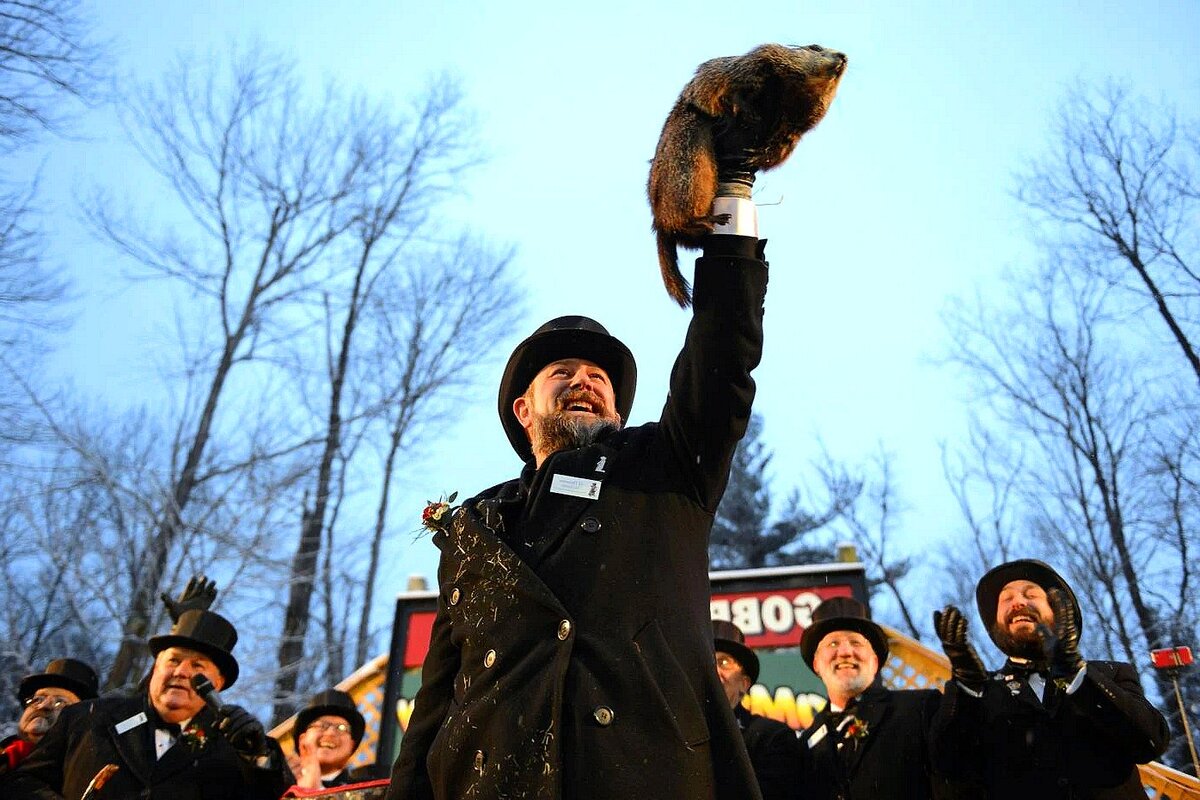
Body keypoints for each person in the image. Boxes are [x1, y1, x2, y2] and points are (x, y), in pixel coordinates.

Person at [387, 128, 780, 800]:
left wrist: (733, 200)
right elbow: (438, 698)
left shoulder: (663, 470)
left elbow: (724, 352)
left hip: (641, 771)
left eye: (600, 376)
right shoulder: (475, 524)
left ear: (620, 413)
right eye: (562, 371)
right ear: (522, 409)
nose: (585, 380)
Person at [931, 558, 1170, 798]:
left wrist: (1075, 675)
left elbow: (1149, 741)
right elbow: (949, 768)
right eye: (1006, 599)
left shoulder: (1110, 673)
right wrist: (968, 685)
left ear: (1058, 610)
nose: (1018, 602)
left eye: (1030, 594)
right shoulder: (977, 694)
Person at [7, 609, 293, 799]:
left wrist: (258, 757)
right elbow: (23, 782)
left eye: (197, 666)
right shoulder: (88, 717)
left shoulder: (232, 749)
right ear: (156, 667)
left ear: (218, 683)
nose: (181, 672)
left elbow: (278, 795)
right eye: (174, 660)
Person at [797, 597, 948, 800]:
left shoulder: (919, 708)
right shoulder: (806, 741)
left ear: (875, 662)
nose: (845, 652)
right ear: (816, 664)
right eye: (833, 643)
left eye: (855, 643)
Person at [713, 620, 802, 800]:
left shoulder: (772, 737)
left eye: (723, 662)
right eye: (705, 662)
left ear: (744, 684)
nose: (713, 671)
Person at [1, 659, 98, 774]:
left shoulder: (81, 776)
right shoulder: (6, 756)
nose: (43, 705)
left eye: (60, 702)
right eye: (37, 699)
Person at [288, 689, 368, 790]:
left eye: (342, 728)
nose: (331, 733)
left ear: (351, 745)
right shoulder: (276, 787)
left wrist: (314, 791)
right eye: (322, 725)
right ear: (302, 739)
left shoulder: (365, 791)